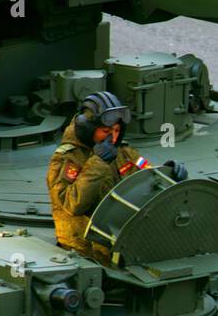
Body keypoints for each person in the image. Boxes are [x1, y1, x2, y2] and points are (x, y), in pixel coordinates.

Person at [47, 91, 187, 261]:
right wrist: (98, 163)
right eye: (105, 130)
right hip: (83, 253)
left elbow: (146, 178)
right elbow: (72, 205)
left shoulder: (123, 151)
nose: (112, 137)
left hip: (122, 243)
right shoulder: (66, 158)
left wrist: (169, 174)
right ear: (88, 129)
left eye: (116, 130)